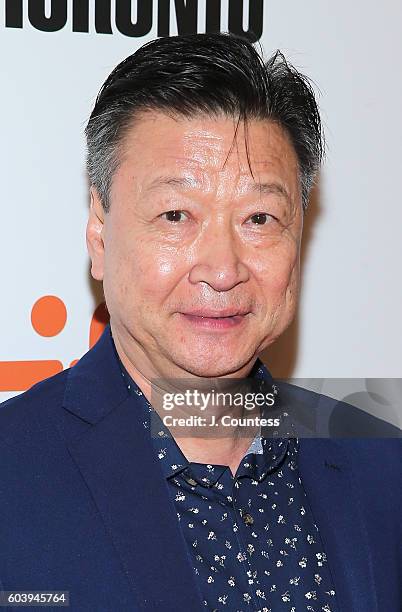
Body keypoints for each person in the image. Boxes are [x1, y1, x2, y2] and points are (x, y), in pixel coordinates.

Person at [0, 33, 400, 612]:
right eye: (176, 214)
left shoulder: (382, 465)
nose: (222, 268)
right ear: (98, 231)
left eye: (259, 217)